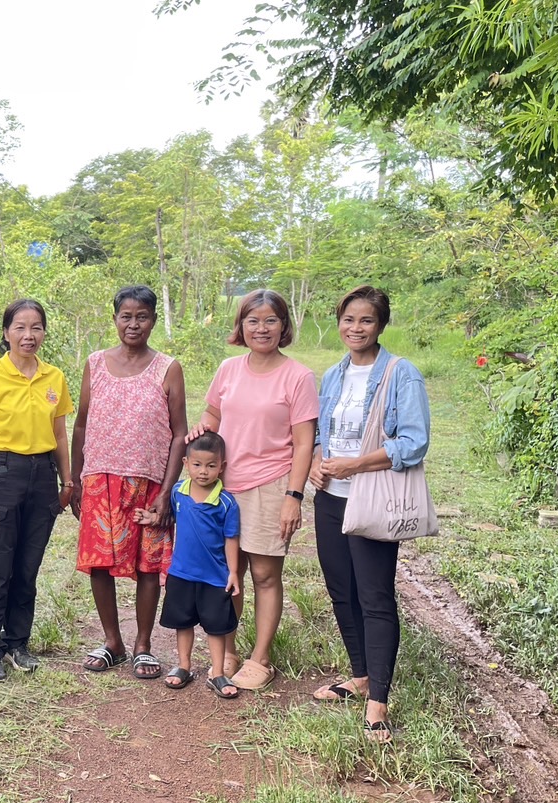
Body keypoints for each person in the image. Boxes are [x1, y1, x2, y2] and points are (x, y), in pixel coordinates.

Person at [309, 285, 431, 743]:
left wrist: (354, 464)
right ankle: (359, 676)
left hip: (373, 496)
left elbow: (414, 442)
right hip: (331, 497)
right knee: (341, 591)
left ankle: (378, 700)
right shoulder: (334, 374)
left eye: (365, 320)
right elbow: (322, 429)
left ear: (380, 325)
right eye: (348, 319)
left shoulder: (402, 374)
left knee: (374, 597)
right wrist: (322, 460)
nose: (355, 328)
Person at [191, 289, 318, 691]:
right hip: (222, 488)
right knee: (227, 573)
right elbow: (213, 414)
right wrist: (202, 429)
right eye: (252, 320)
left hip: (270, 485)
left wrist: (293, 498)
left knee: (263, 574)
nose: (261, 328)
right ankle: (225, 649)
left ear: (283, 327)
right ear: (240, 326)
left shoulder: (297, 376)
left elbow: (303, 443)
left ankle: (260, 658)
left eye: (270, 321)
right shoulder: (228, 369)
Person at [71, 285, 187, 680]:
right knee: (99, 563)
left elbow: (178, 433)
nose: (133, 324)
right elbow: (82, 423)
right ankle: (112, 641)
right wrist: (74, 477)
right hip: (100, 479)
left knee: (148, 565)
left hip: (149, 484)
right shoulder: (95, 363)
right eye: (126, 316)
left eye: (142, 316)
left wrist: (168, 492)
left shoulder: (167, 368)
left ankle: (142, 645)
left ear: (153, 320)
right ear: (115, 318)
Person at [0, 299, 74, 682]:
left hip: (42, 475)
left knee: (27, 568)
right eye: (20, 328)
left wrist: (68, 480)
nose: (29, 335)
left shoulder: (54, 377)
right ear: (6, 332)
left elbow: (60, 434)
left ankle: (17, 643)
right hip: (0, 472)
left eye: (36, 328)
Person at [143, 433, 242, 696]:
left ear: (222, 466)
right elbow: (169, 519)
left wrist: (233, 572)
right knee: (183, 622)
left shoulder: (226, 502)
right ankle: (183, 666)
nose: (203, 471)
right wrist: (151, 518)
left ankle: (218, 673)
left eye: (211, 465)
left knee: (216, 626)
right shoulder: (178, 492)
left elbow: (231, 539)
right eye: (197, 465)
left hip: (215, 577)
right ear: (186, 463)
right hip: (181, 574)